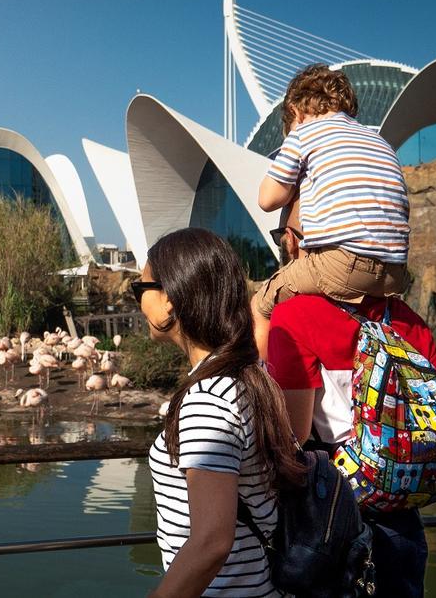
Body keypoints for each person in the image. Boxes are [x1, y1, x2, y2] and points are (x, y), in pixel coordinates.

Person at [265, 198, 436, 598]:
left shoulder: (295, 315)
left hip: (334, 507)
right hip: (403, 506)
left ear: (297, 243)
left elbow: (294, 434)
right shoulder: (404, 318)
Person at [141, 228, 304, 597]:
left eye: (142, 290)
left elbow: (211, 542)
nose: (139, 303)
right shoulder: (249, 376)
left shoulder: (207, 400)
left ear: (169, 299)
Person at [252, 63, 411, 357]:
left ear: (295, 111)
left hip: (343, 264)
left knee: (260, 305)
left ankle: (258, 388)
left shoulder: (304, 134)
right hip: (396, 274)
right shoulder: (380, 142)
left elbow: (267, 199)